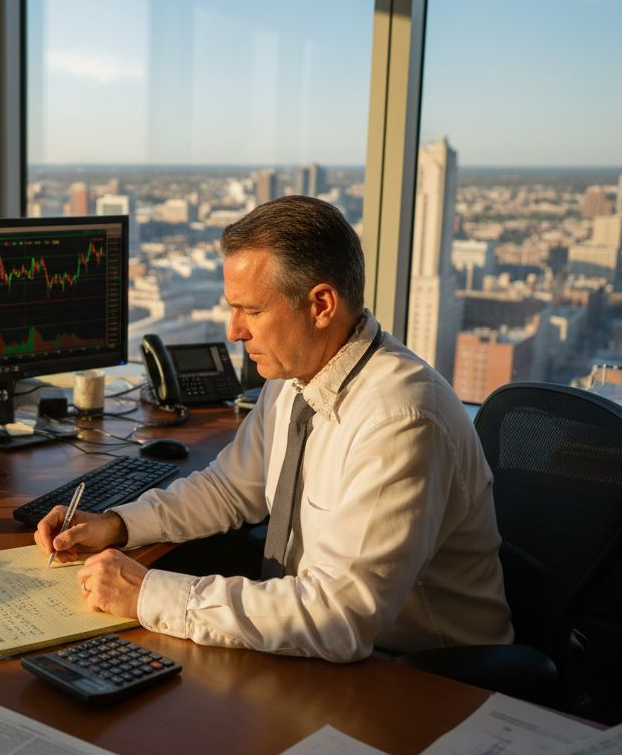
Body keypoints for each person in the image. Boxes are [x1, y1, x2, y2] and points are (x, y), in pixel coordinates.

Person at [36, 195, 512, 662]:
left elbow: (340, 618)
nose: (234, 330)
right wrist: (117, 525)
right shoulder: (295, 378)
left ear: (321, 305)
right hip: (314, 644)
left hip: (423, 677)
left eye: (253, 311)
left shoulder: (401, 421)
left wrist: (151, 594)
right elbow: (230, 489)